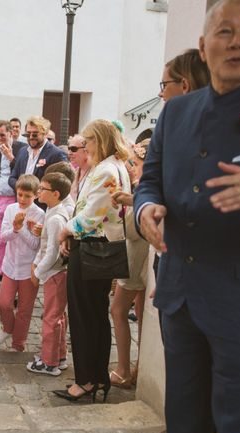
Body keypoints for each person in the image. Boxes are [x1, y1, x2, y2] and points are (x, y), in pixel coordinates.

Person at [135, 1, 240, 433]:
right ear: (204, 46)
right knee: (183, 418)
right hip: (180, 294)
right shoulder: (176, 111)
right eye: (225, 30)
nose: (238, 40)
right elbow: (150, 178)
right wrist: (146, 208)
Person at [135, 47, 210, 433]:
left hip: (233, 286)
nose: (160, 92)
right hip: (178, 275)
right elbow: (151, 180)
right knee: (183, 383)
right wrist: (146, 207)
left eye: (163, 84)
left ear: (183, 82)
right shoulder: (172, 118)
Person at [53, 119, 131, 403]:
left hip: (91, 250)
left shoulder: (106, 170)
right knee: (95, 317)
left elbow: (90, 215)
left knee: (85, 318)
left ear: (98, 141)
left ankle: (86, 380)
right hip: (95, 247)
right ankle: (96, 377)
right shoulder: (111, 166)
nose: (83, 146)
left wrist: (65, 229)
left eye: (87, 141)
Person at [108, 139, 150, 389]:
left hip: (137, 257)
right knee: (142, 315)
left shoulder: (145, 186)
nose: (132, 168)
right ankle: (138, 368)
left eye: (135, 163)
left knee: (118, 310)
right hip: (140, 257)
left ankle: (124, 369)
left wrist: (122, 207)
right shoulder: (141, 187)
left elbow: (134, 230)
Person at [0, 174, 44, 352]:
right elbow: (3, 237)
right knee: (4, 303)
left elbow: (36, 244)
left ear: (35, 195)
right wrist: (15, 228)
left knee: (24, 309)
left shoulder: (40, 214)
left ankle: (18, 342)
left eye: (27, 196)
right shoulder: (11, 209)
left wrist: (22, 230)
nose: (22, 199)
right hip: (10, 264)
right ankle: (7, 328)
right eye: (20, 194)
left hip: (29, 268)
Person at [28, 172, 73, 375]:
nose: (39, 192)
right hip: (55, 273)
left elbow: (52, 251)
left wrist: (38, 271)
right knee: (58, 317)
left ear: (55, 194)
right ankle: (59, 356)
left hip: (55, 274)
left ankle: (49, 362)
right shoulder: (53, 211)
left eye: (43, 189)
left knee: (51, 318)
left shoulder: (55, 218)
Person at [0, 120, 27, 282]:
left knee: (15, 236)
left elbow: (24, 172)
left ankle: (11, 270)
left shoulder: (21, 149)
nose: (0, 138)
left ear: (11, 133)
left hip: (15, 199)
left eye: (2, 134)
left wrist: (11, 157)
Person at [8, 116, 68, 194]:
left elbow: (61, 183)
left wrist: (37, 191)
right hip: (21, 203)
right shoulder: (22, 151)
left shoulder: (57, 154)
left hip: (42, 204)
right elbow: (12, 177)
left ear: (45, 133)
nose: (31, 137)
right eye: (28, 134)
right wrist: (22, 189)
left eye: (35, 134)